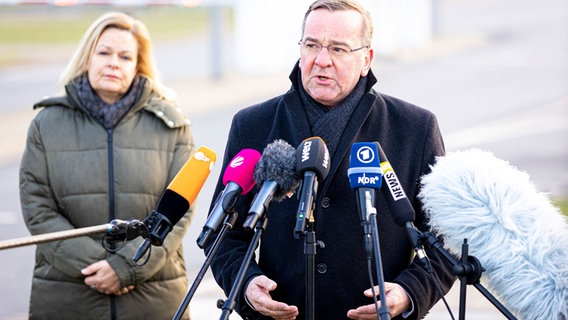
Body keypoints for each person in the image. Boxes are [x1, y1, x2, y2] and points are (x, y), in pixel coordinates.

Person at [206, 1, 456, 319]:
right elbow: (225, 234)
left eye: (338, 49)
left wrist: (410, 292)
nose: (321, 60)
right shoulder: (253, 125)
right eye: (312, 45)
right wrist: (246, 284)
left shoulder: (416, 128)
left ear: (366, 59)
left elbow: (445, 240)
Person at [19, 11, 194, 320]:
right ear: (87, 58)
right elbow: (38, 207)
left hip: (153, 298)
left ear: (137, 66)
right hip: (67, 295)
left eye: (125, 56)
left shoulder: (171, 125)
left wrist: (127, 266)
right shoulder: (46, 124)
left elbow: (179, 211)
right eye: (104, 52)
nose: (114, 62)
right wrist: (99, 265)